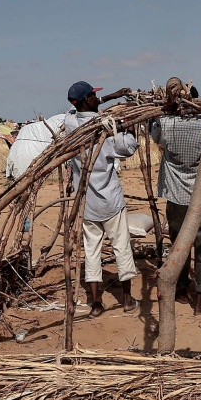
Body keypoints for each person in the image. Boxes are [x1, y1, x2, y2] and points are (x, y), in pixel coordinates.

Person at [65, 81, 139, 317]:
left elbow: (74, 111)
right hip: (110, 201)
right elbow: (128, 148)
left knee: (92, 251)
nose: (98, 99)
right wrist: (129, 127)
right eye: (94, 96)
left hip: (88, 204)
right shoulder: (105, 131)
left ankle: (96, 304)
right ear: (86, 100)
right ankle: (127, 300)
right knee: (122, 248)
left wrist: (111, 97)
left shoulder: (70, 125)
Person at [152, 78, 201, 315]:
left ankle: (180, 286)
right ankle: (200, 296)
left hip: (176, 195)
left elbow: (155, 139)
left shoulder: (166, 123)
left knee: (179, 244)